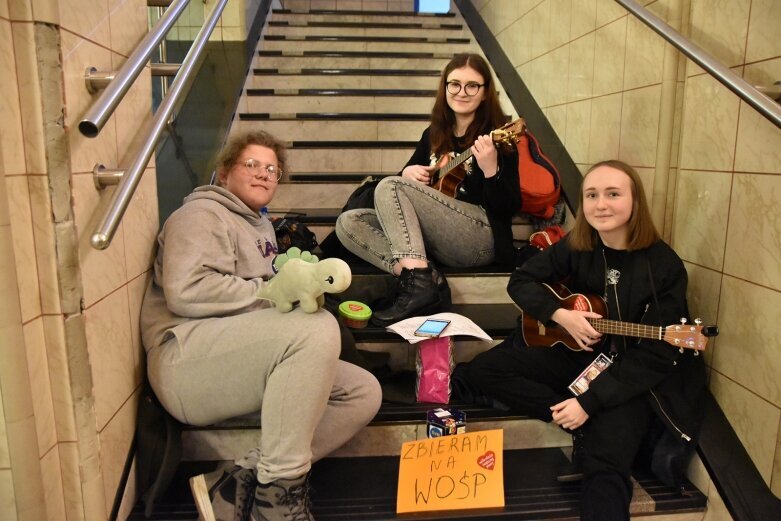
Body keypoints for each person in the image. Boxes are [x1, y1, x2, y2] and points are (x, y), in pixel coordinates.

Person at [140, 130, 382, 521]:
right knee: (316, 327)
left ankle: (239, 481)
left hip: (235, 357)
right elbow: (185, 291)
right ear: (224, 171)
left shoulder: (261, 227)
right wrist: (271, 290)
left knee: (362, 391)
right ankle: (278, 500)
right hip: (185, 361)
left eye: (272, 169)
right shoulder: (200, 215)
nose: (263, 174)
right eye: (251, 164)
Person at [464, 160, 707, 520]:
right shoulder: (581, 244)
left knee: (605, 468)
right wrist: (561, 315)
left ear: (635, 202)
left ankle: (588, 423)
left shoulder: (663, 266)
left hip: (629, 380)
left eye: (613, 194)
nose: (600, 204)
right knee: (484, 369)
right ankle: (575, 419)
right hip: (584, 358)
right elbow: (521, 281)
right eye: (591, 195)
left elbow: (655, 357)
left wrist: (590, 402)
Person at [335, 53, 520, 326]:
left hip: (481, 238)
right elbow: (398, 193)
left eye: (472, 86)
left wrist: (491, 169)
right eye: (454, 84)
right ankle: (424, 278)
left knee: (391, 186)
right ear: (445, 88)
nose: (462, 92)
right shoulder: (433, 133)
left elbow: (509, 208)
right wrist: (406, 173)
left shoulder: (496, 137)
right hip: (437, 240)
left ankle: (418, 288)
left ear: (485, 93)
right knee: (349, 222)